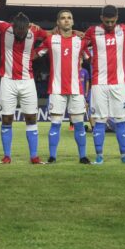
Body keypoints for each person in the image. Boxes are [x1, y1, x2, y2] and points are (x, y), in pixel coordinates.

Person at [0, 12, 48, 164]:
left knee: (31, 118)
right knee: (7, 119)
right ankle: (7, 156)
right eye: (17, 32)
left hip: (27, 81)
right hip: (7, 81)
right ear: (13, 27)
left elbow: (50, 37)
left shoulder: (34, 30)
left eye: (23, 32)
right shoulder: (5, 28)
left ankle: (34, 156)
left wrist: (38, 52)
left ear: (27, 27)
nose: (20, 35)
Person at [84, 5, 125, 165]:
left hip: (118, 84)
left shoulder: (124, 30)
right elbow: (81, 44)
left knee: (121, 120)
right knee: (99, 120)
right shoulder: (92, 31)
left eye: (112, 21)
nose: (110, 24)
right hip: (99, 84)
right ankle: (99, 156)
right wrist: (87, 57)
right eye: (107, 21)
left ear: (117, 18)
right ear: (101, 18)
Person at [35, 10, 91, 164]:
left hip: (76, 90)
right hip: (56, 89)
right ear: (58, 22)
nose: (66, 20)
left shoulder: (80, 41)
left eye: (69, 18)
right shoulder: (50, 40)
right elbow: (35, 54)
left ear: (72, 22)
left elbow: (90, 58)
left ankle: (83, 157)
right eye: (63, 18)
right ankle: (52, 157)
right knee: (55, 124)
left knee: (79, 125)